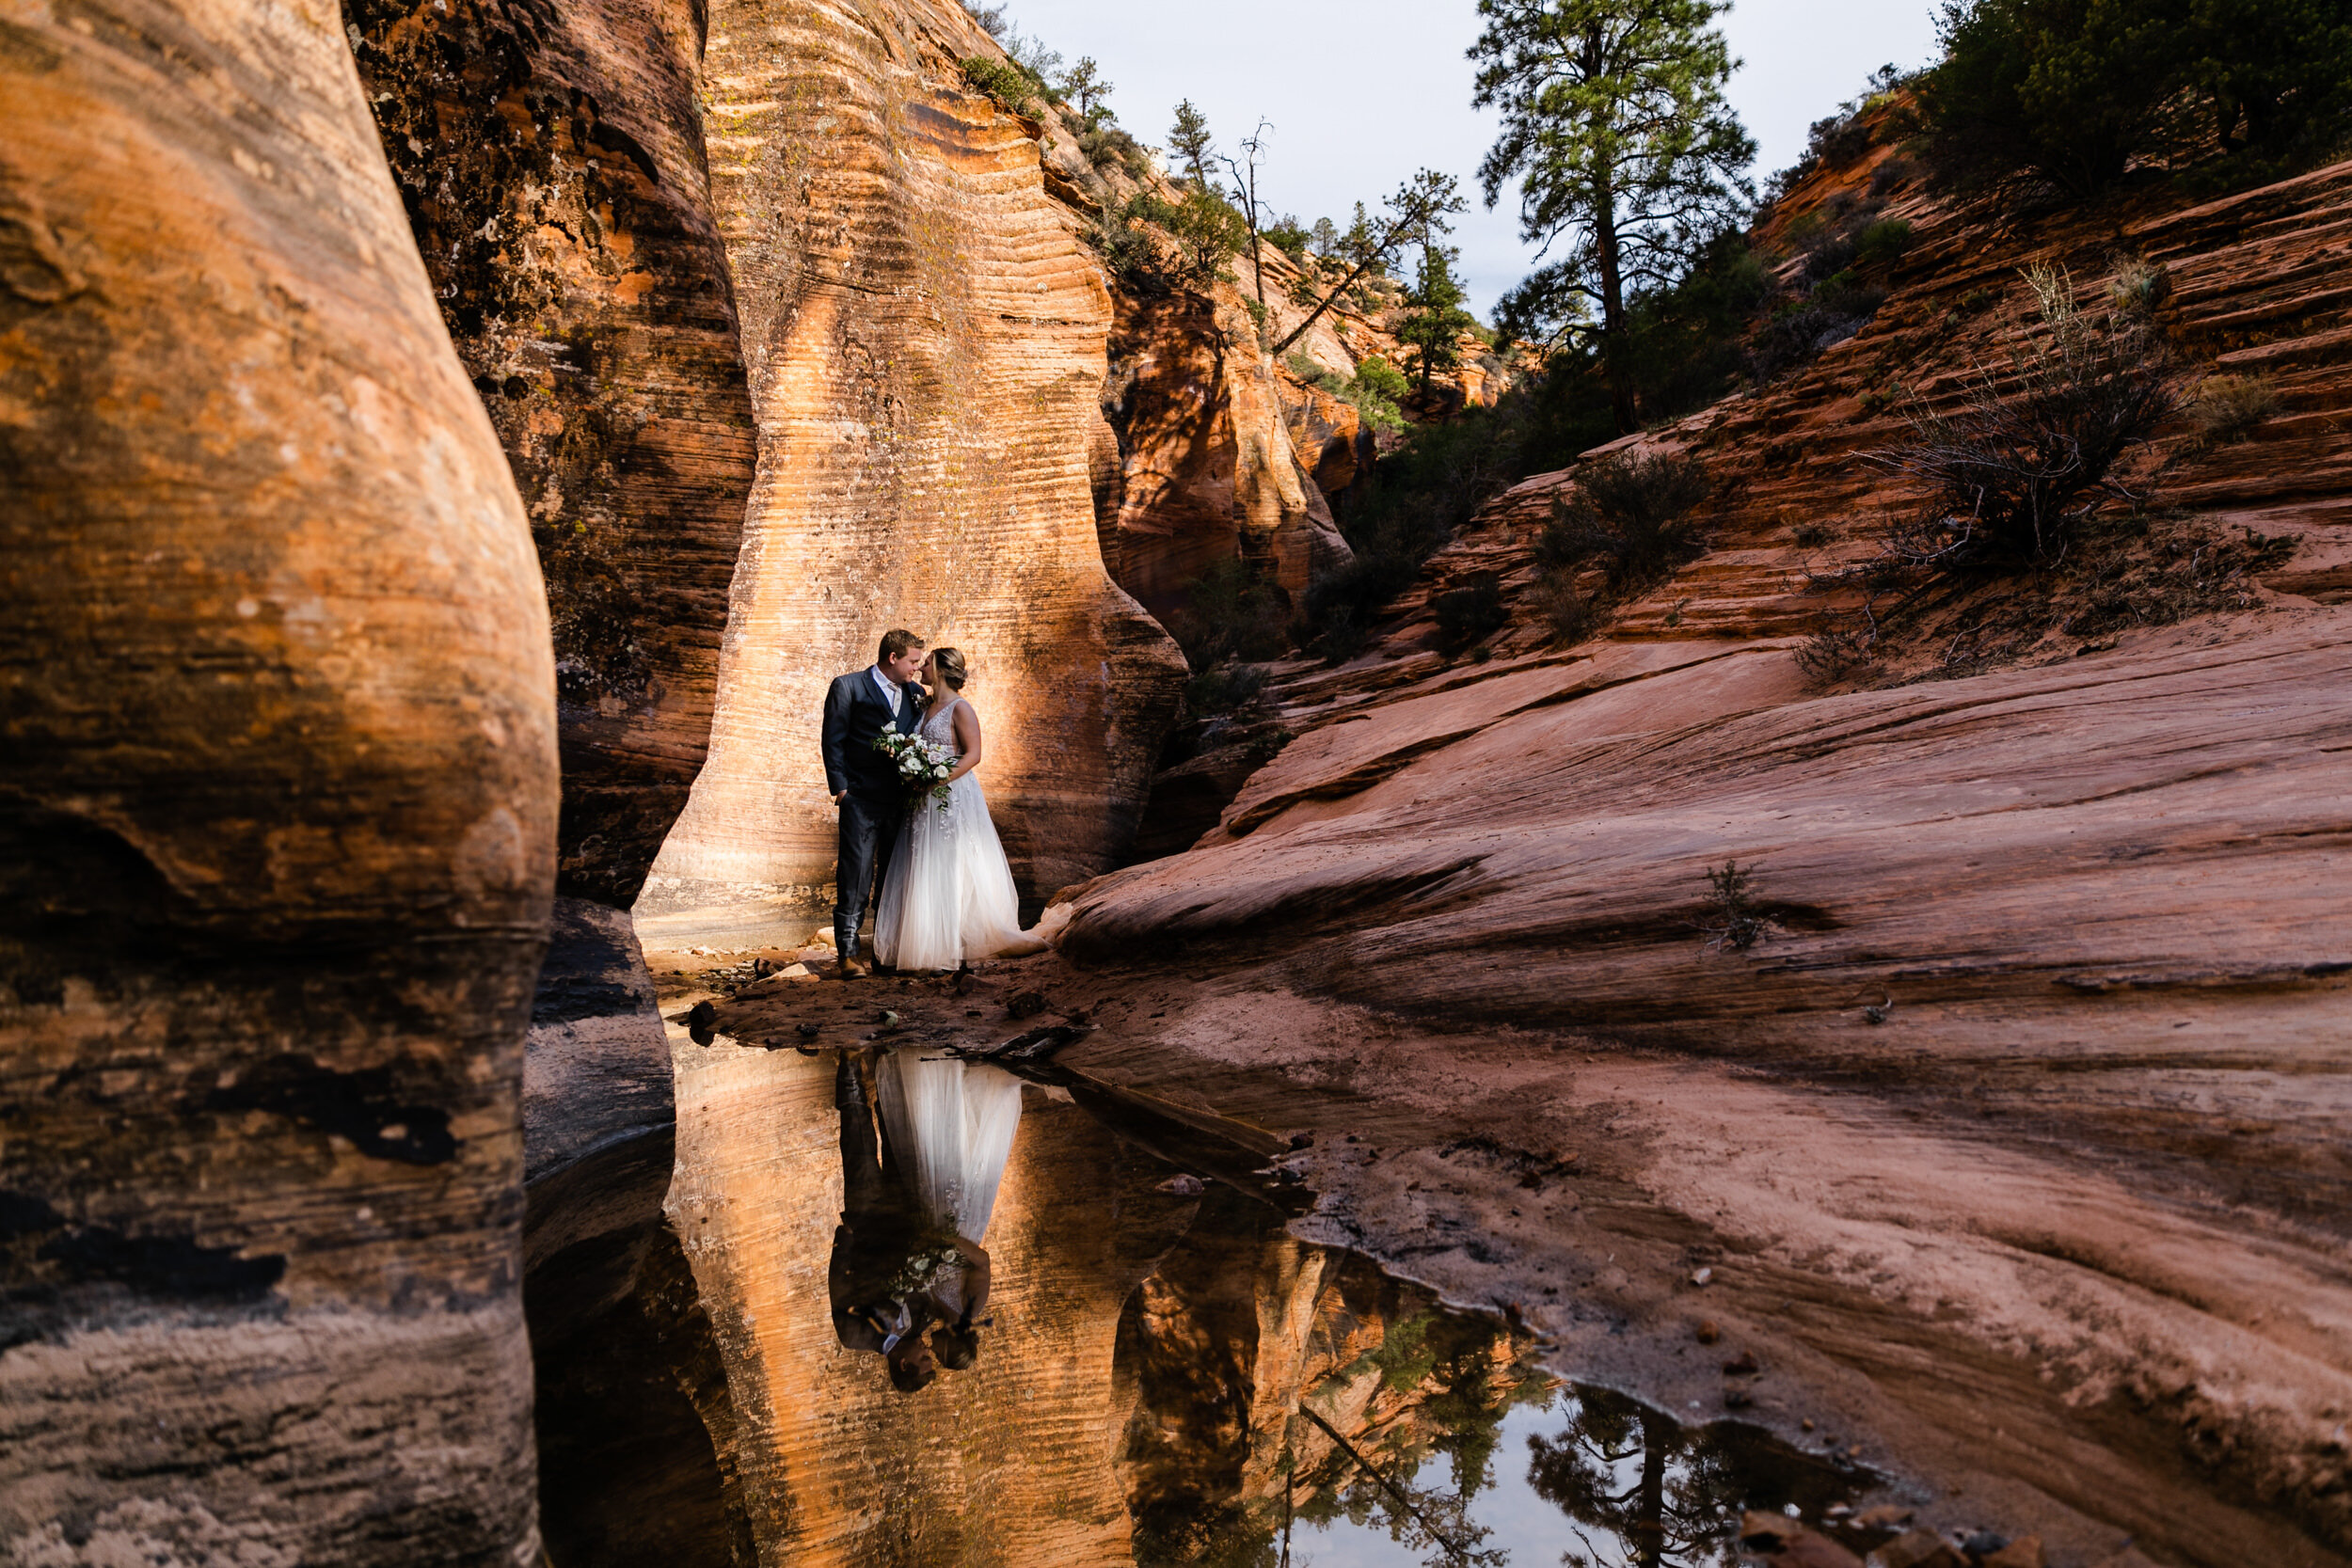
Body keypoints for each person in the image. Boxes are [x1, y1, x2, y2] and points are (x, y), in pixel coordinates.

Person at [870, 646, 1053, 973]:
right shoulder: (923, 706)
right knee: (922, 863)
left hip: (950, 795)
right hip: (923, 799)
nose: (921, 668)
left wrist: (937, 781)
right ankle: (925, 943)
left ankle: (948, 945)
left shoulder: (960, 708)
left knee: (950, 862)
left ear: (940, 670)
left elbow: (973, 755)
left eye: (927, 663)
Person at [820, 630, 927, 977]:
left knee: (894, 877)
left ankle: (884, 952)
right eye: (913, 661)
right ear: (893, 658)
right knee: (856, 874)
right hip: (861, 799)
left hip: (902, 799)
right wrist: (841, 790)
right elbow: (833, 740)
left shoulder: (915, 694)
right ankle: (847, 955)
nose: (917, 668)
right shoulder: (848, 686)